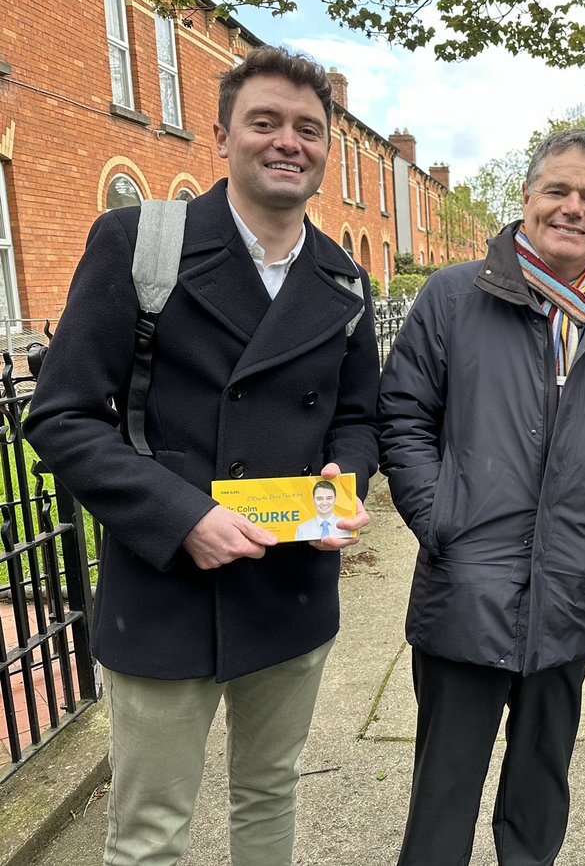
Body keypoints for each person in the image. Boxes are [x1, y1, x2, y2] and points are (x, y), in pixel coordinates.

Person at [24, 46, 378, 865]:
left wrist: (345, 479)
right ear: (220, 135)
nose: (288, 141)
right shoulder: (139, 243)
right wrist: (185, 519)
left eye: (308, 128)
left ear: (326, 149)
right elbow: (64, 416)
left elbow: (359, 418)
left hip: (289, 588)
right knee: (149, 833)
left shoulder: (345, 281)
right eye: (265, 122)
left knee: (269, 797)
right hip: (163, 590)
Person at [378, 128, 585, 865]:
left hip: (567, 591)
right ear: (527, 198)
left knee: (539, 794)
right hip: (465, 591)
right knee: (443, 796)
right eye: (557, 191)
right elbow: (403, 418)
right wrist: (441, 520)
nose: (573, 208)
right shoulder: (453, 296)